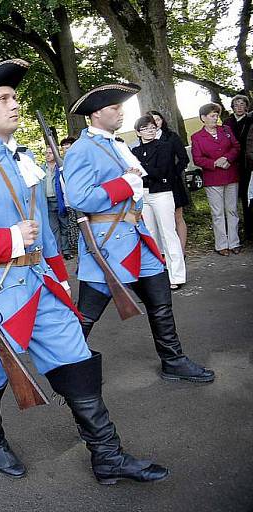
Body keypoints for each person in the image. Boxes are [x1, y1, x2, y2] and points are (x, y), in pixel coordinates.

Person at [0, 59, 167, 484]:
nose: (14, 104)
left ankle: (107, 456)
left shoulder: (24, 158)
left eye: (15, 97)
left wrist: (58, 274)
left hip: (42, 286)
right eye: (4, 98)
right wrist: (9, 237)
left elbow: (45, 227)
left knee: (78, 366)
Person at [65, 83, 214, 383]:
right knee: (86, 317)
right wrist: (123, 183)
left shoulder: (115, 143)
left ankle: (173, 360)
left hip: (137, 236)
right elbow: (78, 199)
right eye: (114, 108)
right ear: (96, 114)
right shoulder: (83, 149)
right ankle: (68, 369)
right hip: (107, 244)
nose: (120, 112)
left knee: (161, 302)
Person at [131, 115, 187, 289]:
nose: (150, 131)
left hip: (162, 193)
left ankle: (176, 276)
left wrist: (140, 168)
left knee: (168, 234)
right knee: (151, 235)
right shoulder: (135, 152)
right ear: (138, 132)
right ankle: (157, 275)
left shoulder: (165, 146)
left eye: (152, 127)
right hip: (145, 194)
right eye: (145, 128)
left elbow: (161, 172)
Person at [191, 102, 242, 255]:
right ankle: (221, 245)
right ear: (203, 118)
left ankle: (234, 242)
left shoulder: (226, 130)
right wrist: (214, 163)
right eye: (212, 116)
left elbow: (236, 147)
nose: (215, 118)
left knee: (232, 211)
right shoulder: (197, 137)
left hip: (230, 175)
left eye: (217, 115)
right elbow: (197, 159)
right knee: (218, 213)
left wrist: (227, 158)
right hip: (212, 179)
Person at [146, 110, 191, 253]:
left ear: (162, 121)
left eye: (158, 120)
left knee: (178, 216)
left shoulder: (171, 137)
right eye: (152, 121)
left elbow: (184, 159)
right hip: (155, 185)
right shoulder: (145, 140)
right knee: (159, 220)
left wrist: (174, 174)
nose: (155, 123)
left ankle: (181, 250)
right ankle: (164, 252)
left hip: (173, 183)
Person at [223, 94, 252, 241]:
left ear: (246, 106)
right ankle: (233, 232)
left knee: (248, 198)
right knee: (232, 199)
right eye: (236, 104)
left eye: (242, 104)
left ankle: (249, 230)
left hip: (248, 165)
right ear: (232, 107)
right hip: (231, 164)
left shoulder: (251, 120)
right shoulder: (227, 123)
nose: (239, 107)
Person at [43, 143, 73, 259]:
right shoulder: (41, 168)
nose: (48, 155)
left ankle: (66, 251)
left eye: (50, 153)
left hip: (60, 200)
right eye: (46, 153)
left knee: (64, 226)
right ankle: (58, 252)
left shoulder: (61, 167)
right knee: (53, 227)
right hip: (48, 201)